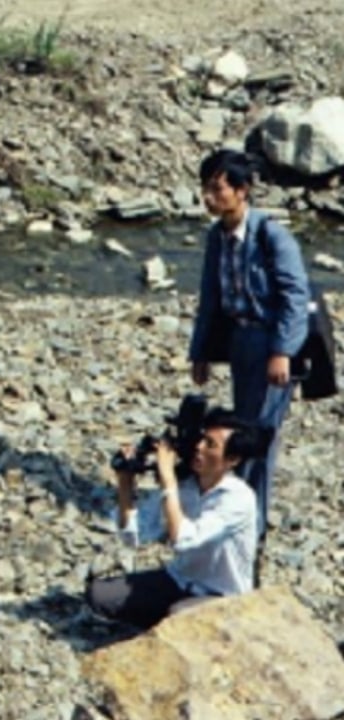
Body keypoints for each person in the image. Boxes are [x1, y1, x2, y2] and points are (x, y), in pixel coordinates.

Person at [187, 149, 308, 538]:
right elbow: (209, 297)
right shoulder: (217, 237)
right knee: (242, 426)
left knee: (259, 434)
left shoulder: (271, 235)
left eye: (217, 189)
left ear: (243, 190)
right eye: (206, 189)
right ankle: (238, 510)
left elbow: (295, 296)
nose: (209, 197)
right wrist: (201, 351)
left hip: (270, 343)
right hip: (240, 341)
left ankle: (250, 525)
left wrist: (281, 351)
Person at [86, 409, 259, 629]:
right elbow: (134, 535)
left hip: (220, 594)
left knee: (178, 615)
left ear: (232, 459)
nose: (199, 448)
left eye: (210, 445)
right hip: (179, 579)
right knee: (99, 595)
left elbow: (183, 539)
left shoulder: (238, 499)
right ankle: (162, 625)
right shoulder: (187, 485)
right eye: (201, 440)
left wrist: (168, 479)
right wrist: (125, 481)